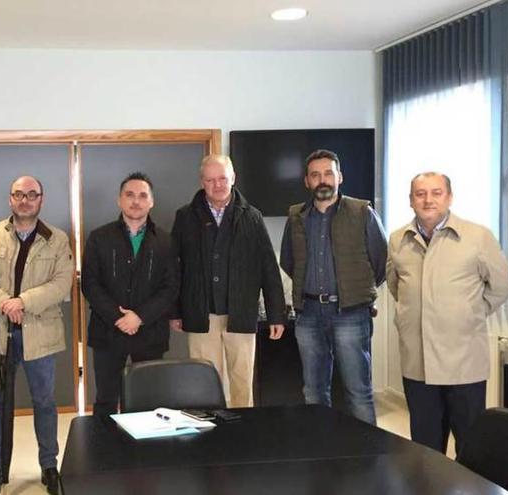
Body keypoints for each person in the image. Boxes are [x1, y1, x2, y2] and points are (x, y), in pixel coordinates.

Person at [386, 172, 508, 454]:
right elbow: (397, 287)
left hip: (463, 362)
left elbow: (503, 285)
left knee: (469, 443)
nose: (428, 199)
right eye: (420, 194)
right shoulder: (398, 240)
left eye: (436, 192)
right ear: (410, 200)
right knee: (425, 446)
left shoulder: (477, 237)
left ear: (450, 197)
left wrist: (470, 313)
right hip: (417, 363)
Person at [0, 176, 73, 495]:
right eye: (18, 194)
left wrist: (23, 302)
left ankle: (49, 467)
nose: (25, 200)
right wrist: (3, 303)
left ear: (41, 199)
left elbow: (61, 283)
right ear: (10, 199)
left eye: (31, 194)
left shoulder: (57, 239)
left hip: (40, 334)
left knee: (45, 402)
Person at [279, 149, 386, 424]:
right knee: (313, 392)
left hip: (350, 313)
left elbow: (381, 261)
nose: (322, 179)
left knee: (358, 391)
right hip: (309, 314)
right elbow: (288, 261)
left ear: (340, 177)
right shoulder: (296, 217)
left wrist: (357, 292)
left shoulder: (362, 212)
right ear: (307, 182)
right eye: (315, 175)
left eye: (328, 173)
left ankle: (366, 455)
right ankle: (321, 451)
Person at [169, 154, 285, 408]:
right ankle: (210, 439)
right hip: (201, 315)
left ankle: (242, 438)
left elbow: (268, 267)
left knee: (242, 382)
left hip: (241, 314)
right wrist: (175, 311)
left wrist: (276, 314)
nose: (217, 185)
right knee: (204, 383)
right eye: (211, 180)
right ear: (202, 182)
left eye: (222, 178)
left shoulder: (252, 217)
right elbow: (175, 268)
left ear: (233, 178)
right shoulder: (185, 217)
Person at [82, 172, 179, 417]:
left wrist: (139, 317)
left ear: (151, 202)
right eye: (130, 195)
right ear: (119, 200)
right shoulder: (99, 238)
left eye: (142, 195)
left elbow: (170, 287)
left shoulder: (166, 241)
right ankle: (105, 453)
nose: (136, 201)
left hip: (150, 332)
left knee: (147, 399)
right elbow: (90, 284)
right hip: (107, 332)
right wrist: (118, 317)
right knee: (105, 399)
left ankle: (142, 455)